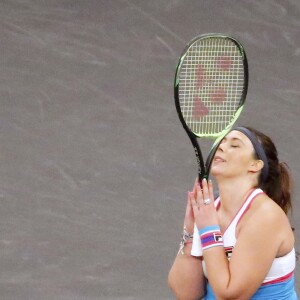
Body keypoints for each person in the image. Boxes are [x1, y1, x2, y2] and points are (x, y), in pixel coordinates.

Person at [168, 126, 298, 299]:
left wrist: (208, 230)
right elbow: (186, 293)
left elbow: (230, 295)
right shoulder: (210, 209)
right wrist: (190, 232)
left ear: (255, 165)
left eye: (235, 145)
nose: (221, 147)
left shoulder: (265, 216)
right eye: (221, 142)